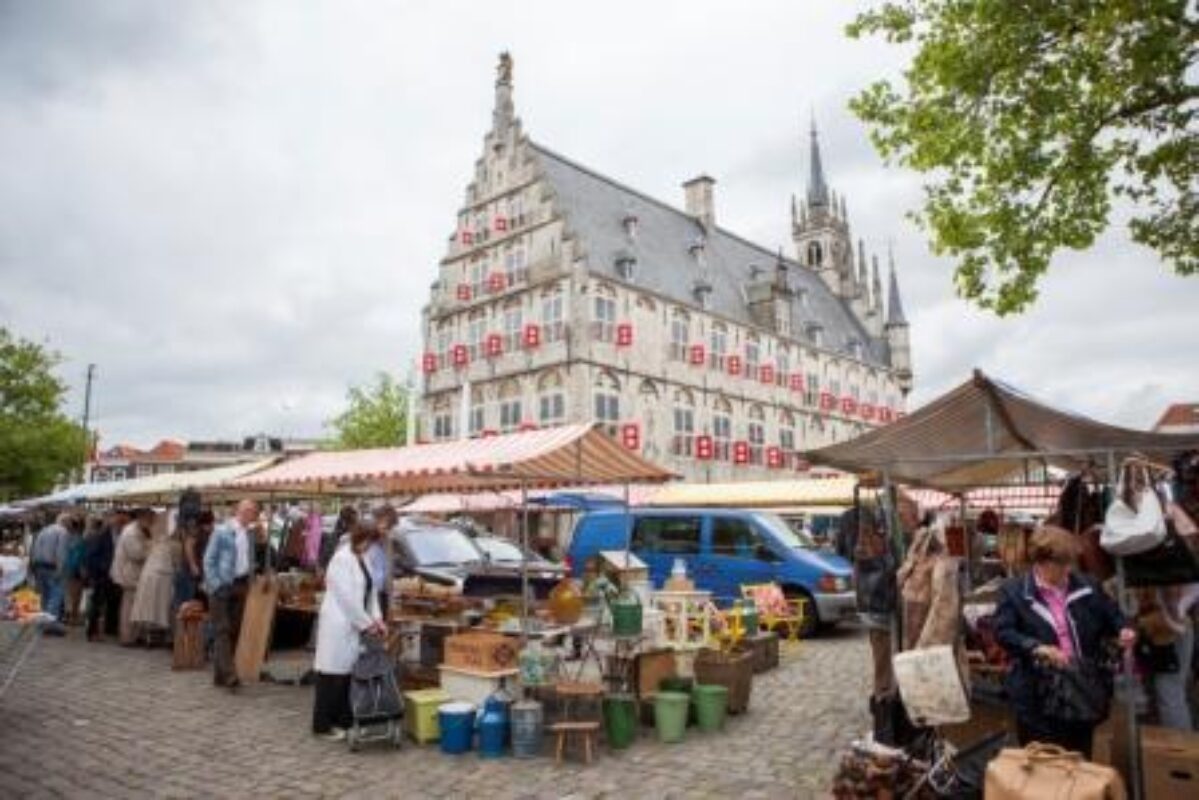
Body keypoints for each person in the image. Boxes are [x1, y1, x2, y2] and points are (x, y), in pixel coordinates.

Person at [993, 526, 1137, 757]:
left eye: (1070, 562)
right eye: (1062, 564)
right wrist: (1036, 647)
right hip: (1037, 695)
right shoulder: (1014, 592)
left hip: (1081, 687)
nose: (1068, 569)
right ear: (1041, 562)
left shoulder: (1088, 585)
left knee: (1079, 757)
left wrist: (1124, 630)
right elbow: (1004, 632)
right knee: (1043, 763)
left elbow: (1113, 615)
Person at [312, 521, 385, 740]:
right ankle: (322, 725)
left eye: (372, 543)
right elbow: (346, 599)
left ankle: (344, 721)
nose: (370, 547)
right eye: (368, 542)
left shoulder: (365, 559)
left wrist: (378, 619)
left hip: (353, 624)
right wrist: (367, 623)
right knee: (331, 675)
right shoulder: (341, 558)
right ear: (359, 538)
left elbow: (371, 594)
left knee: (346, 676)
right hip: (338, 622)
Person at [204, 499, 260, 691]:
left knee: (234, 630)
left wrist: (252, 578)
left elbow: (250, 559)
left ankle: (220, 674)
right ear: (238, 511)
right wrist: (216, 584)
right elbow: (208, 560)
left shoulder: (251, 533)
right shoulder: (222, 531)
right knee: (222, 630)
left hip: (241, 585)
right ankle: (230, 676)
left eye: (252, 511)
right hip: (222, 585)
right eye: (246, 510)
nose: (249, 514)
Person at [131, 512, 181, 646]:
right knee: (162, 607)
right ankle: (163, 636)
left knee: (147, 605)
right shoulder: (174, 545)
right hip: (164, 577)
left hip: (148, 576)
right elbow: (177, 564)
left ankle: (146, 635)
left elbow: (144, 555)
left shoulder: (150, 542)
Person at [111, 508, 155, 645]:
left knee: (135, 606)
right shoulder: (131, 532)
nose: (152, 522)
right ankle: (127, 637)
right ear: (143, 517)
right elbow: (136, 554)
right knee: (129, 607)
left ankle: (134, 635)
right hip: (128, 574)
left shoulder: (138, 530)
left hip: (134, 574)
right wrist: (151, 549)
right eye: (150, 519)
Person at [84, 510, 128, 641]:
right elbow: (91, 557)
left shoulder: (120, 535)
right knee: (97, 604)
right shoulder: (100, 535)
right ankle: (92, 632)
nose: (120, 524)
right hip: (102, 575)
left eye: (122, 522)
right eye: (118, 521)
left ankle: (110, 629)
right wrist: (102, 568)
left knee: (114, 602)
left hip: (115, 575)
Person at [29, 513, 71, 621]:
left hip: (39, 567)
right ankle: (49, 623)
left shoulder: (43, 531)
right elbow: (61, 553)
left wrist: (33, 568)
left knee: (44, 596)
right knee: (55, 596)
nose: (71, 525)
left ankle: (43, 622)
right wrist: (60, 570)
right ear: (66, 521)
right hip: (52, 567)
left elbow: (34, 549)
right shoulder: (63, 532)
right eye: (70, 522)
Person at [177, 510, 214, 608]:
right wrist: (193, 566)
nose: (213, 525)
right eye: (212, 522)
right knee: (191, 600)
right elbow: (188, 546)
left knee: (198, 598)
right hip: (190, 572)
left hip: (197, 571)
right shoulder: (196, 531)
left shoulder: (205, 532)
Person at [369, 505, 398, 618]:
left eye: (390, 527)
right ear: (376, 520)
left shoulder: (388, 541)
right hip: (364, 594)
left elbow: (388, 571)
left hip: (380, 595)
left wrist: (390, 603)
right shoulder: (362, 541)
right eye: (386, 525)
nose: (388, 531)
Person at [62, 516, 88, 625]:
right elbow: (79, 557)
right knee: (76, 595)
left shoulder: (68, 538)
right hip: (76, 570)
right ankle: (73, 616)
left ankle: (69, 616)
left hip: (68, 569)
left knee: (69, 594)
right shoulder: (80, 540)